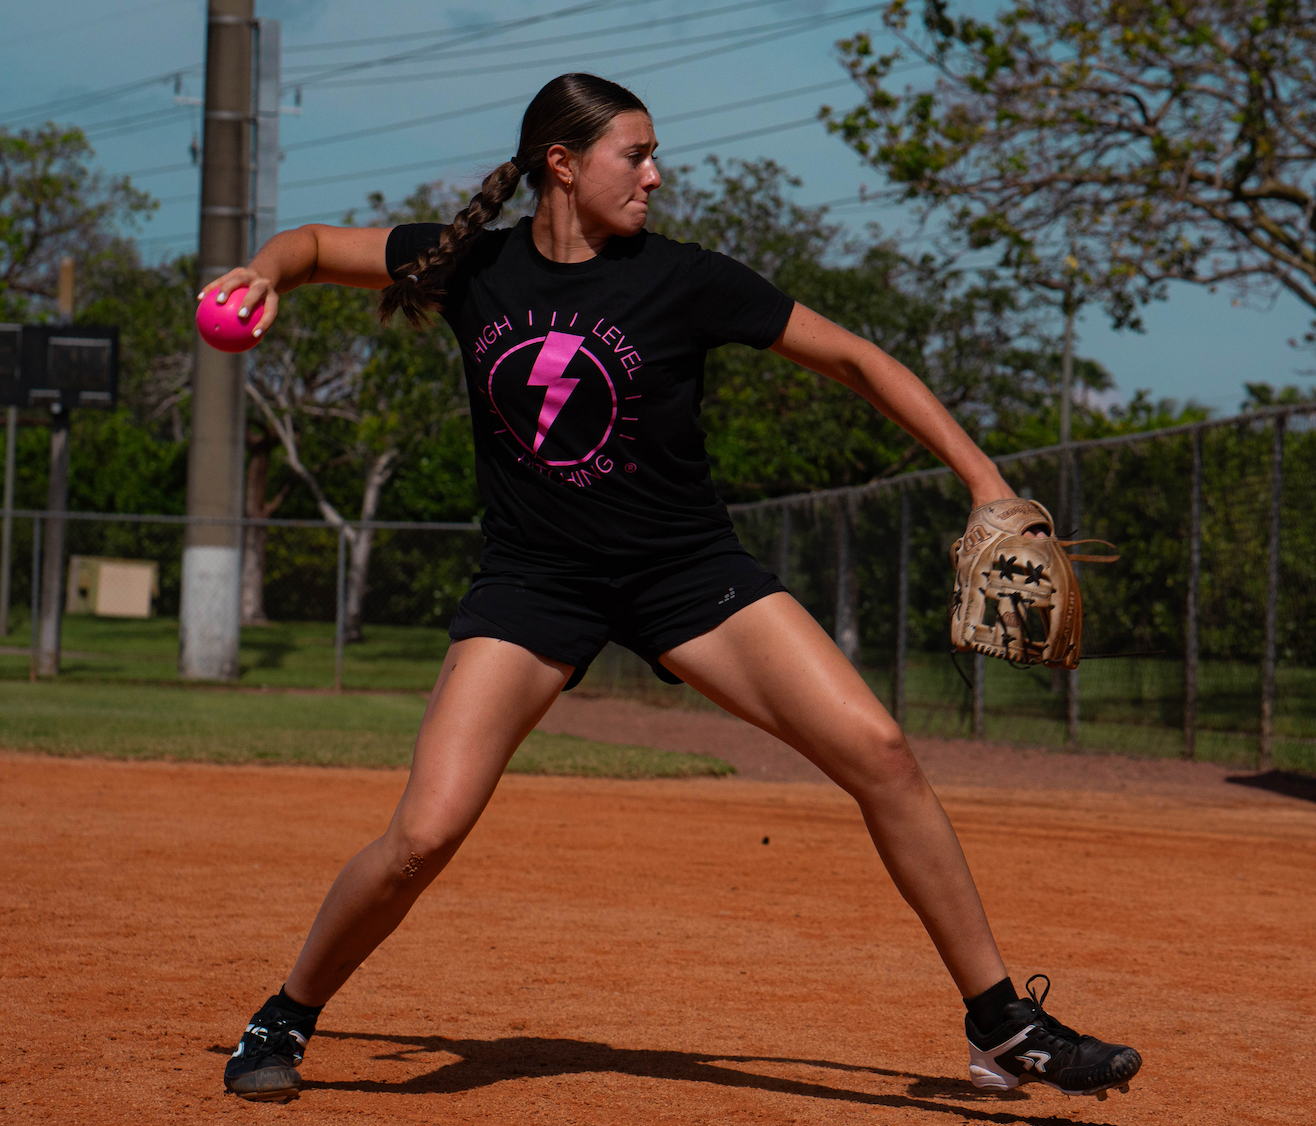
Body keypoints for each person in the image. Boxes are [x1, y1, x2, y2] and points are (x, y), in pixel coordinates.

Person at [212, 73, 1141, 1106]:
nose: (655, 175)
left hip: (685, 573)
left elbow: (854, 360)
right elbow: (305, 246)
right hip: (534, 587)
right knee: (424, 832)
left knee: (879, 752)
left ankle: (1001, 1022)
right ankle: (284, 1012)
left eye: (654, 155)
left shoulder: (683, 279)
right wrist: (260, 273)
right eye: (634, 154)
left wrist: (985, 483)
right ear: (560, 164)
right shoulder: (474, 264)